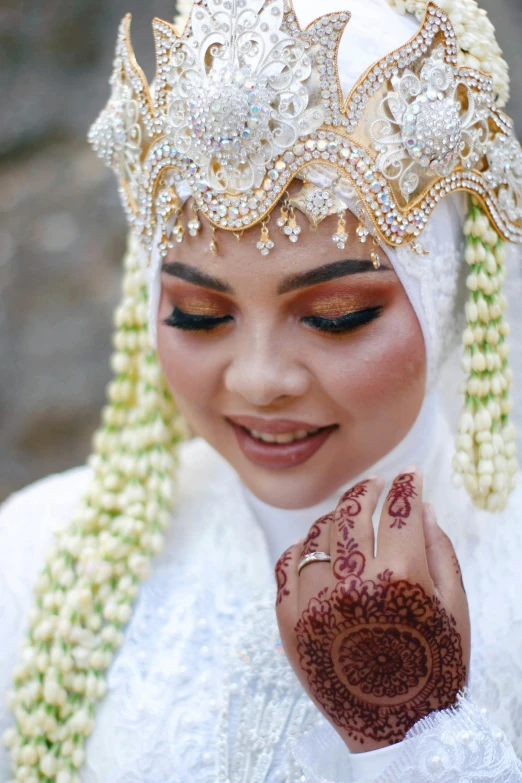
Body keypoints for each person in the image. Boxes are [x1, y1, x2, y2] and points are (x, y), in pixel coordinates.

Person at [1, 0, 522, 780]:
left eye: (336, 317)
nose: (258, 378)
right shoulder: (41, 556)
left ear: (446, 297)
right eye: (198, 313)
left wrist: (412, 733)